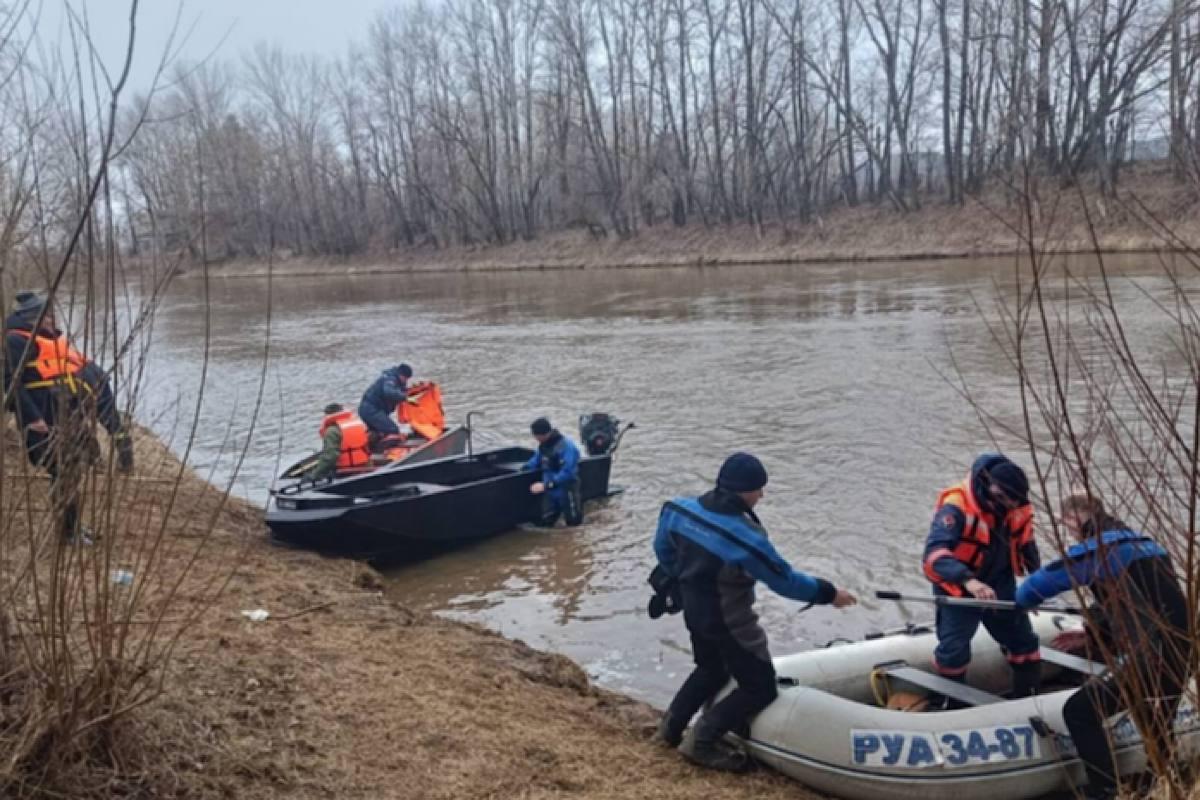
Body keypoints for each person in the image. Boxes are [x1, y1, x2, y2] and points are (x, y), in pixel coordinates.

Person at [652, 452, 857, 772]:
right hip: (730, 623)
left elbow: (662, 549)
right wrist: (829, 594)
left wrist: (680, 576)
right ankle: (701, 741)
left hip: (694, 611)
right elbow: (786, 582)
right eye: (758, 489)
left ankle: (669, 730)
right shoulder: (746, 539)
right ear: (742, 491)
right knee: (760, 687)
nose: (761, 495)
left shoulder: (678, 510)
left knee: (710, 669)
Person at [1016, 492, 1190, 800]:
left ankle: (1104, 790)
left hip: (1152, 653)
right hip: (1182, 650)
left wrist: (1018, 603)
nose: (1068, 531)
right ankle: (1162, 783)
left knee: (1079, 711)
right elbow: (1138, 602)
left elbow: (1035, 587)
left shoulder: (1102, 549)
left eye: (1066, 524)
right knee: (1155, 718)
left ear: (1076, 517)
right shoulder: (1144, 544)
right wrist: (1094, 633)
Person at [3, 289, 134, 544]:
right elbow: (11, 384)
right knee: (61, 470)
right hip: (43, 419)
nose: (52, 320)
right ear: (32, 318)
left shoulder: (50, 340)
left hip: (64, 415)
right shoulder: (15, 341)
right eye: (47, 316)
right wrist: (32, 418)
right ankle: (68, 533)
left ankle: (72, 527)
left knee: (71, 469)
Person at [922, 453, 1042, 698]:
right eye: (1007, 501)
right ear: (992, 490)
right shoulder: (956, 507)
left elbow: (1027, 544)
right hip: (960, 587)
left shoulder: (1016, 506)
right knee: (954, 649)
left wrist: (1037, 584)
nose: (1011, 507)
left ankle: (1028, 695)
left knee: (1023, 640)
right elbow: (934, 554)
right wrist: (969, 580)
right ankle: (951, 704)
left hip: (1000, 581)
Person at [523, 417, 583, 526]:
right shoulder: (543, 446)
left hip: (566, 488)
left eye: (536, 436)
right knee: (546, 521)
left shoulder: (567, 446)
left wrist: (547, 485)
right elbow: (535, 460)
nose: (535, 438)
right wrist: (525, 469)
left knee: (574, 523)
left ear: (543, 434)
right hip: (550, 491)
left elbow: (568, 472)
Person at [305, 403, 371, 481]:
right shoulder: (358, 424)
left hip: (346, 471)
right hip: (366, 466)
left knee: (325, 473)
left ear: (327, 415)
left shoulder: (332, 431)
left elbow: (330, 456)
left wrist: (315, 475)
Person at [358, 362, 413, 440]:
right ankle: (388, 446)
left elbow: (400, 391)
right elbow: (389, 392)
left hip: (368, 410)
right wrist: (405, 397)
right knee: (392, 430)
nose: (406, 381)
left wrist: (411, 391)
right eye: (406, 378)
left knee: (378, 433)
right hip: (371, 410)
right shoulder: (390, 379)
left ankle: (374, 442)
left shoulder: (395, 380)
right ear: (401, 375)